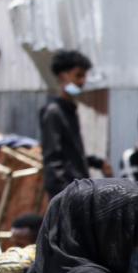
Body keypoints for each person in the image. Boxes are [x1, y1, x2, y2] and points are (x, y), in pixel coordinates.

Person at [39, 50, 112, 197]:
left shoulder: (70, 110)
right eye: (78, 76)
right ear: (62, 76)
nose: (82, 82)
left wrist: (97, 163)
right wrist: (66, 195)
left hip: (78, 190)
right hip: (68, 194)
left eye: (84, 76)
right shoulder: (54, 112)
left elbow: (73, 154)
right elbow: (53, 161)